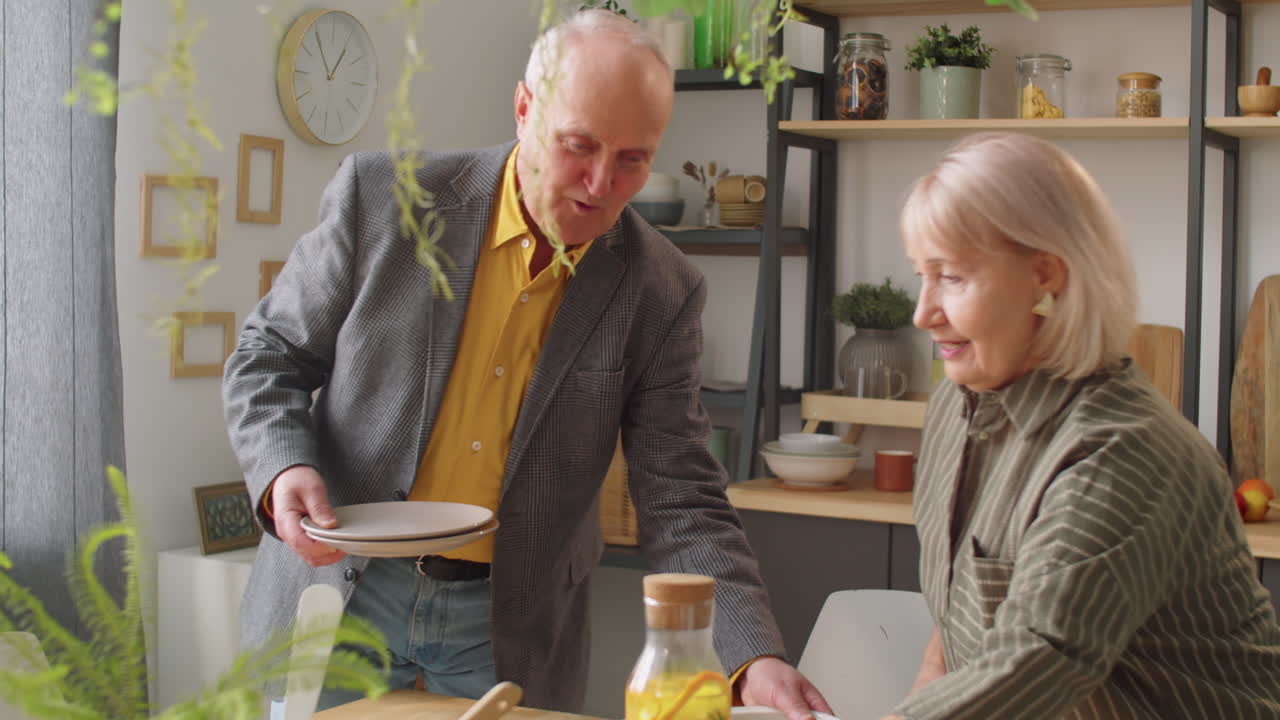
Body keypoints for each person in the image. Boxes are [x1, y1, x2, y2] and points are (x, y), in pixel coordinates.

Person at [223, 9, 830, 718]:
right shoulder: (385, 200)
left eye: (634, 158)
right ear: (523, 109)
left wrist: (752, 654)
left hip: (506, 625)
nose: (602, 183)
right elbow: (268, 355)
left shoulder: (660, 289)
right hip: (344, 593)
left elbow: (681, 495)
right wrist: (282, 467)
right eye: (579, 146)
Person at [881, 131, 1280, 719]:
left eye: (952, 278)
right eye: (922, 274)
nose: (922, 313)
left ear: (1047, 275)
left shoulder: (1120, 450)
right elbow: (957, 623)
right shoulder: (956, 404)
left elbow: (1037, 659)